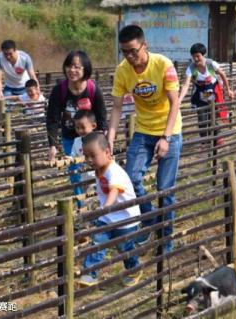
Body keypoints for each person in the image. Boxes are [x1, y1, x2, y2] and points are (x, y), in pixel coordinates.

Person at [107, 25, 182, 253]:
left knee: (164, 189)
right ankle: (149, 222)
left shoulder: (163, 65)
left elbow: (175, 102)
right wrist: (110, 137)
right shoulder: (123, 71)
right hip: (143, 130)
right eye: (125, 52)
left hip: (170, 131)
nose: (130, 57)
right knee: (131, 179)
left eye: (133, 51)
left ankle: (166, 240)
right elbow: (117, 107)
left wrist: (166, 137)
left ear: (144, 46)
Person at [77, 132, 142, 287]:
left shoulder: (114, 171)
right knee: (97, 242)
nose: (89, 160)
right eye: (86, 156)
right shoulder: (99, 169)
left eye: (93, 156)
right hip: (107, 217)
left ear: (107, 152)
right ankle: (90, 274)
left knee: (124, 247)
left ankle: (134, 269)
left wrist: (106, 207)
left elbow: (113, 191)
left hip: (126, 218)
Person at [46, 50, 107, 203]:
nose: (71, 70)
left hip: (90, 137)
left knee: (96, 169)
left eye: (76, 67)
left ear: (85, 69)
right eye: (68, 66)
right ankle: (82, 204)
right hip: (69, 138)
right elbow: (52, 119)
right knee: (74, 171)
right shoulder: (59, 90)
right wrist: (52, 145)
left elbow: (101, 115)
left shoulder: (93, 89)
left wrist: (103, 140)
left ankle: (100, 200)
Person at [178, 43, 233, 142]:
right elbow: (186, 85)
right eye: (193, 56)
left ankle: (217, 137)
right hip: (200, 93)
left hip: (213, 92)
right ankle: (205, 141)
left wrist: (228, 89)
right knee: (202, 117)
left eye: (198, 56)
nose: (195, 59)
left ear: (203, 55)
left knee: (212, 115)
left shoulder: (211, 64)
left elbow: (223, 75)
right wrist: (179, 100)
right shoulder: (190, 68)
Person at [69, 110, 97, 196]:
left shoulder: (98, 139)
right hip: (85, 177)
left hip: (99, 175)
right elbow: (73, 155)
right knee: (88, 198)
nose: (80, 130)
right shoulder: (77, 141)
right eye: (77, 128)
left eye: (83, 127)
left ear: (93, 126)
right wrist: (68, 159)